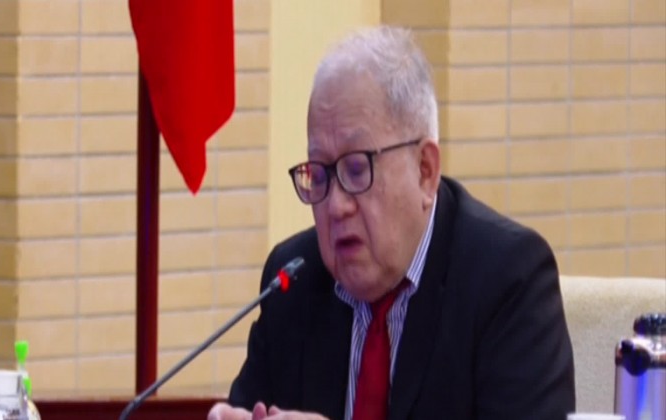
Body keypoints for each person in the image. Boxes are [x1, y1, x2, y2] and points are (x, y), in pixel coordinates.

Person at [208, 25, 575, 420]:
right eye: (319, 174)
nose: (336, 206)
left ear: (425, 171)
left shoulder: (506, 279)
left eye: (356, 169)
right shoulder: (293, 281)